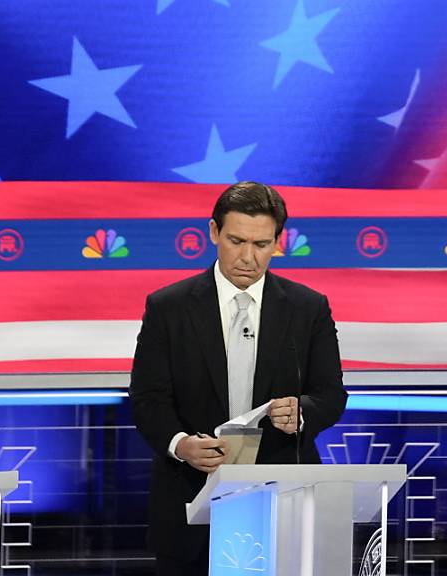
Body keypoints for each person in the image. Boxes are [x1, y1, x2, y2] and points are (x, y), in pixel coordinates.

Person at [130, 181, 348, 575]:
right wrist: (181, 445)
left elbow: (331, 395)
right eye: (236, 241)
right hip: (190, 503)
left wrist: (301, 413)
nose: (248, 257)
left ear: (279, 242)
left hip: (282, 503)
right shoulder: (168, 307)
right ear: (214, 232)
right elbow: (147, 398)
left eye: (262, 244)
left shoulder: (308, 308)